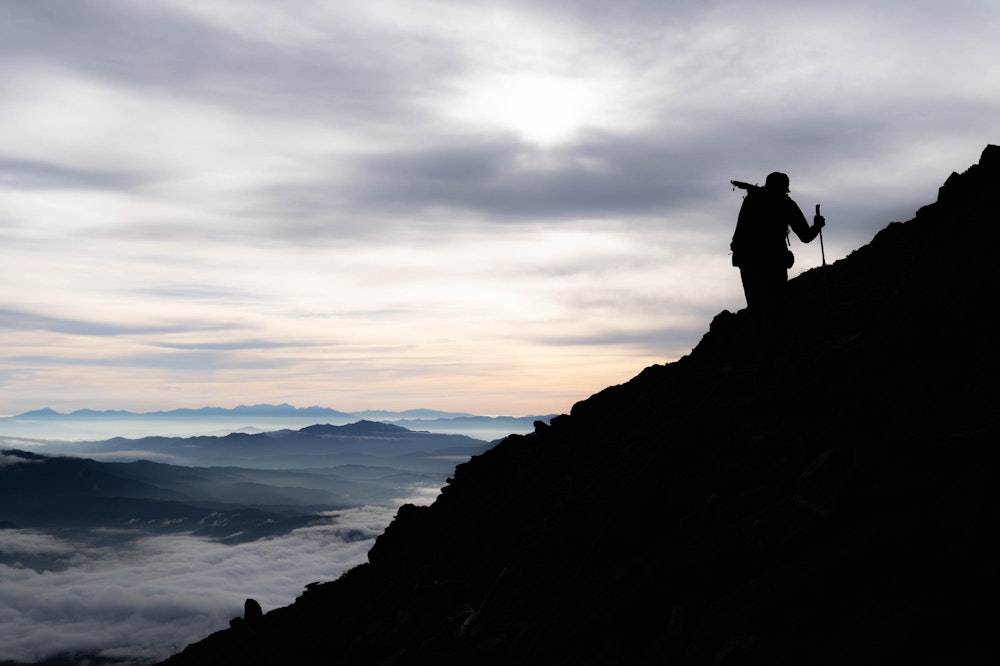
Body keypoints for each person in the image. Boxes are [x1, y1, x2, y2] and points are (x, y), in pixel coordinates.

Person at [730, 171, 825, 360]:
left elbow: (739, 232)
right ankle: (772, 356)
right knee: (774, 309)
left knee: (756, 309)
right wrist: (817, 225)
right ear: (785, 188)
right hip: (773, 264)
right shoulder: (786, 204)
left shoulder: (752, 200)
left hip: (748, 262)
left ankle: (760, 356)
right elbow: (805, 236)